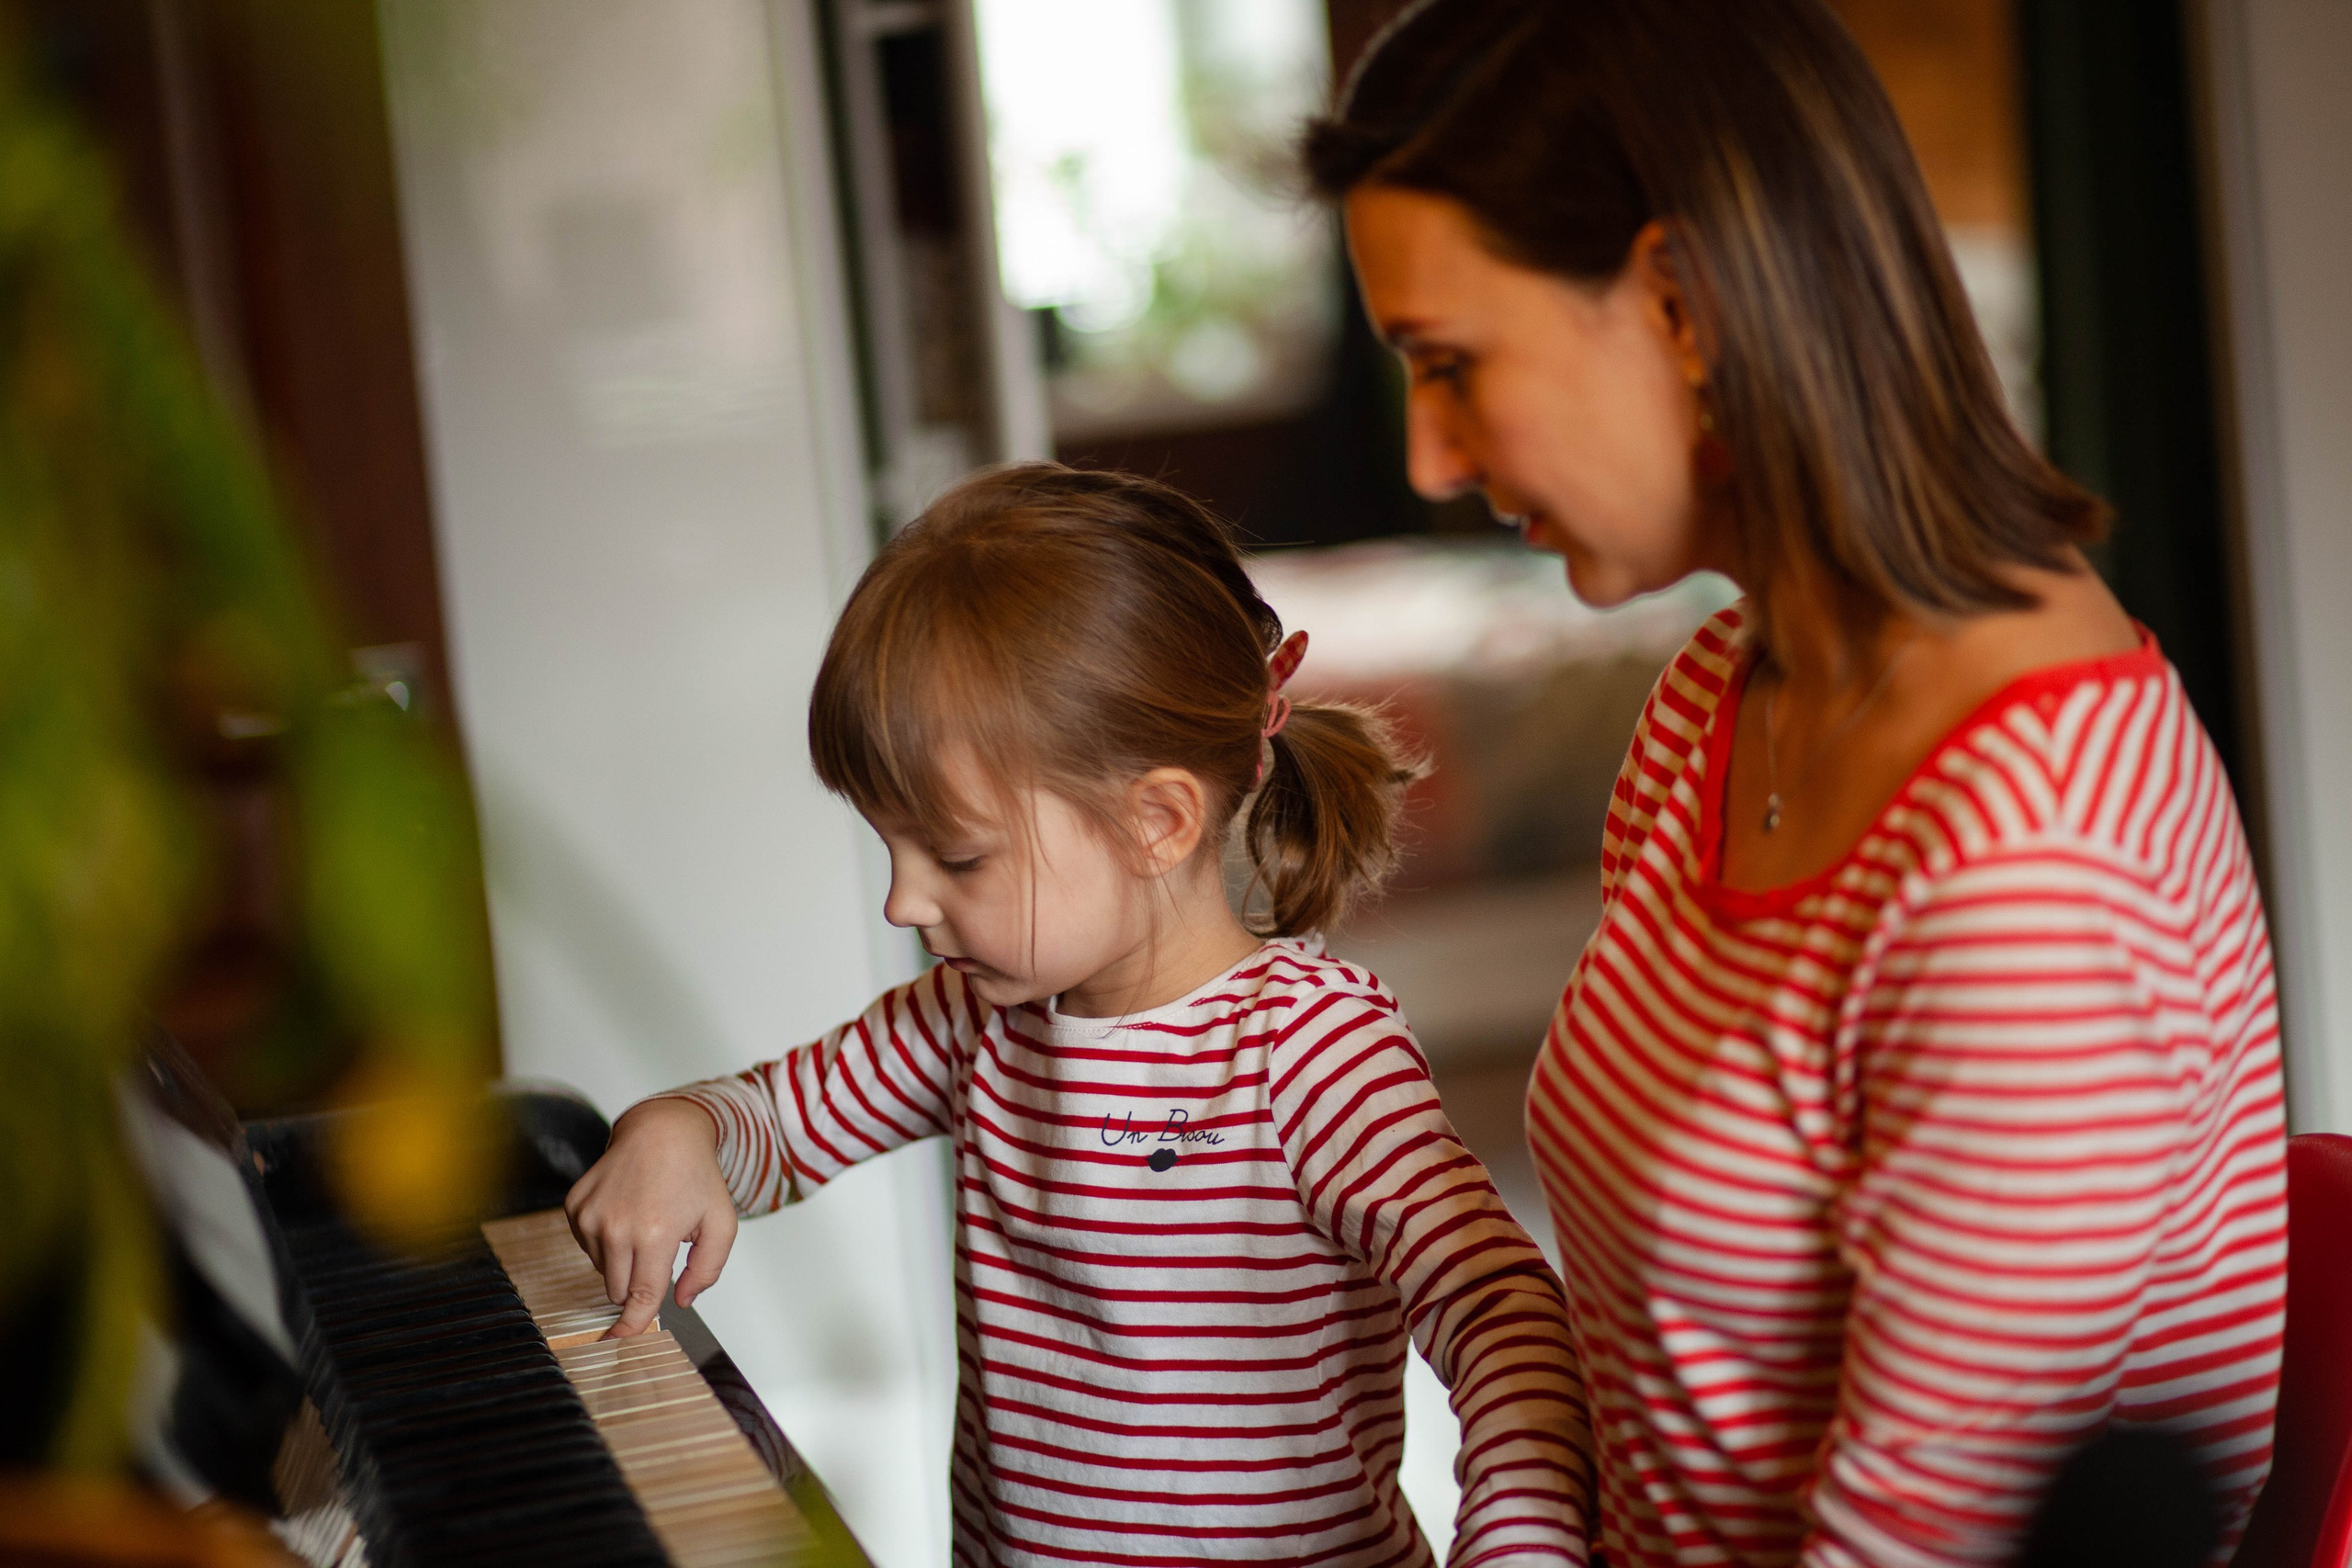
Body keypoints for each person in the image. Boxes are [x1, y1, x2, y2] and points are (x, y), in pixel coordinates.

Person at [1305, 2, 2287, 1566]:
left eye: (1452, 363)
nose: (1426, 458)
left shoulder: (2030, 863)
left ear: (1686, 302)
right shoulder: (1722, 693)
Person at [564, 464, 1594, 1566]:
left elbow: (1498, 1313)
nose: (904, 901)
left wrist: (1518, 1540)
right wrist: (683, 1128)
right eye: (891, 847)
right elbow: (772, 1126)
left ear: (1155, 820)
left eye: (956, 857)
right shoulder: (969, 1021)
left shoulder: (1307, 1052)